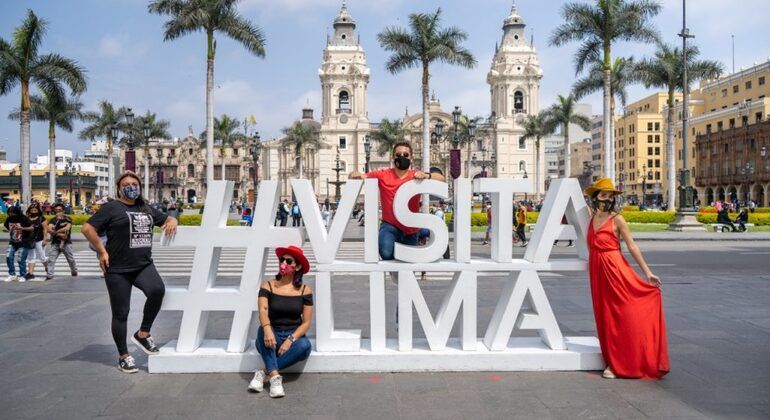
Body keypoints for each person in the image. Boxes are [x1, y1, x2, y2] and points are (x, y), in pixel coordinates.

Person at [82, 172, 178, 374]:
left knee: (157, 290)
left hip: (143, 264)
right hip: (117, 269)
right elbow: (87, 228)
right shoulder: (111, 208)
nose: (131, 187)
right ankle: (123, 355)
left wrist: (172, 221)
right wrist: (101, 251)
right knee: (121, 312)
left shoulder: (145, 208)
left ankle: (143, 333)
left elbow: (167, 219)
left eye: (135, 183)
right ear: (119, 188)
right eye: (126, 184)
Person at [585, 178, 669, 380]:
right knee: (604, 316)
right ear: (595, 197)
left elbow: (632, 246)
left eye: (610, 196)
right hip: (597, 271)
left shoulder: (617, 220)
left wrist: (647, 272)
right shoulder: (590, 217)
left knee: (620, 315)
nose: (607, 199)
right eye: (603, 195)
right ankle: (611, 359)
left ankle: (620, 363)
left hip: (615, 270)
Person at [348, 142, 445, 260]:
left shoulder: (416, 175)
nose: (402, 157)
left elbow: (441, 178)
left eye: (405, 154)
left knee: (410, 265)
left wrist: (426, 175)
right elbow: (363, 176)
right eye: (398, 154)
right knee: (386, 252)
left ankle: (422, 234)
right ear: (393, 157)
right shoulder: (383, 175)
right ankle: (423, 234)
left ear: (411, 157)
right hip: (390, 225)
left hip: (411, 228)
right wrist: (354, 174)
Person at [249, 245, 313, 398]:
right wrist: (267, 330)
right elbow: (263, 311)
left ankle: (265, 373)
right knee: (262, 330)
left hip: (293, 336)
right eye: (281, 259)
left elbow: (306, 322)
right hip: (271, 337)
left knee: (305, 346)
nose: (283, 263)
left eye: (288, 260)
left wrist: (290, 340)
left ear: (297, 266)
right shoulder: (268, 286)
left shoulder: (305, 290)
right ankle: (275, 380)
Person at [44, 203, 78, 280]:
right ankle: (49, 275)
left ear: (63, 210)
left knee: (70, 259)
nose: (58, 212)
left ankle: (74, 271)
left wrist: (56, 232)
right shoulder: (53, 220)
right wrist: (58, 232)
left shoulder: (67, 219)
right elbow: (49, 229)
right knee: (51, 259)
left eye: (60, 210)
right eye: (56, 210)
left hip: (66, 242)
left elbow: (67, 228)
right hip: (55, 243)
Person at [3, 206, 34, 282]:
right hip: (13, 241)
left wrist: (22, 228)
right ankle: (12, 274)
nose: (11, 215)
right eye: (9, 213)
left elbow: (32, 228)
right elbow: (7, 226)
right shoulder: (9, 219)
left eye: (12, 213)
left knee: (21, 259)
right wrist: (8, 230)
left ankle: (23, 275)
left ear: (17, 212)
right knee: (8, 257)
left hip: (24, 242)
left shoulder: (24, 218)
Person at [25, 204, 48, 280]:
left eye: (35, 210)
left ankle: (48, 269)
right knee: (31, 257)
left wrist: (45, 239)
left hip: (40, 240)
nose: (33, 211)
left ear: (38, 210)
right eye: (32, 210)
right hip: (30, 240)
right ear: (29, 211)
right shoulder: (27, 218)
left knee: (42, 257)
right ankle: (30, 273)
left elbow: (45, 230)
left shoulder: (42, 218)